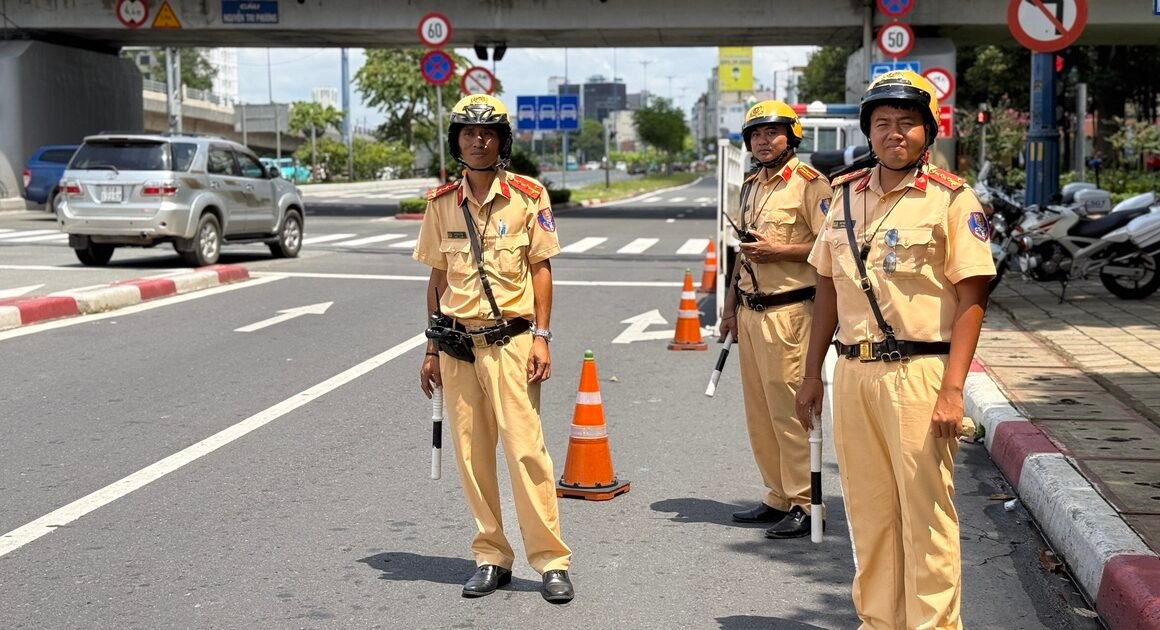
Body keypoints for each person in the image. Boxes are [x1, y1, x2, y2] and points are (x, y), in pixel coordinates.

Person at [795, 70, 995, 629]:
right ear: (868, 132)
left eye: (907, 123)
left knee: (925, 516)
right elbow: (827, 288)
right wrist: (813, 374)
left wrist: (954, 390)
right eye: (882, 123)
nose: (894, 133)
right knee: (870, 513)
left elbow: (972, 294)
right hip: (854, 374)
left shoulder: (952, 199)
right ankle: (879, 622)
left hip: (921, 373)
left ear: (927, 131)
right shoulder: (843, 197)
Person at [414, 94, 573, 604]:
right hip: (459, 345)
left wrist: (542, 337)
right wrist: (432, 347)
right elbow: (438, 278)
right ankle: (490, 556)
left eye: (486, 134)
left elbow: (542, 270)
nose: (476, 141)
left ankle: (551, 561)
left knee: (526, 452)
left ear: (502, 141)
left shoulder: (530, 196)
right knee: (472, 455)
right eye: (466, 132)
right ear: (456, 140)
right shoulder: (441, 203)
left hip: (512, 342)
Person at [718, 100, 831, 539]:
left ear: (792, 136)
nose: (764, 141)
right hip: (750, 311)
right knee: (760, 413)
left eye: (772, 133)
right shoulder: (750, 186)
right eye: (756, 135)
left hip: (790, 313)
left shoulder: (809, 186)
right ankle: (778, 495)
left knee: (791, 412)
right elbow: (743, 252)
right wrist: (729, 308)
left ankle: (806, 501)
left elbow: (831, 245)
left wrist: (780, 252)